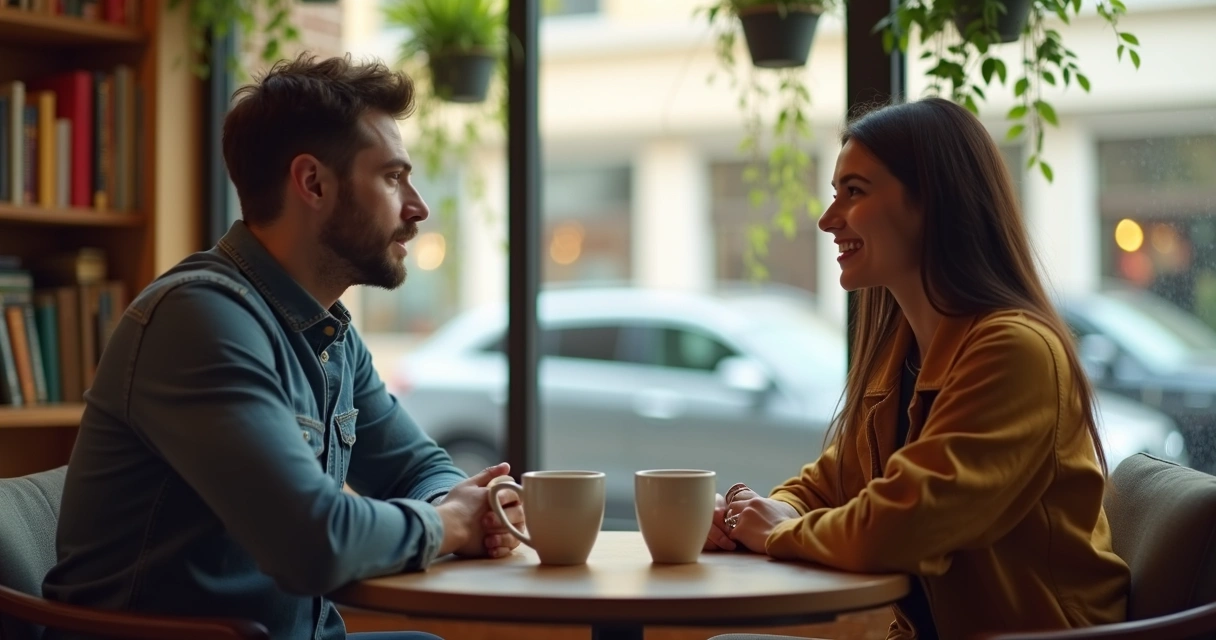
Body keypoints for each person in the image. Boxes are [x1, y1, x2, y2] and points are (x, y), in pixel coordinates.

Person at [41, 54, 524, 640]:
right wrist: (449, 522)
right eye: (393, 177)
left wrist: (468, 507)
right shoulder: (198, 322)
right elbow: (313, 543)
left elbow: (418, 467)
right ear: (313, 183)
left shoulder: (328, 334)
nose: (417, 207)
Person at [704, 97, 1129, 639]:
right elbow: (834, 483)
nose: (827, 219)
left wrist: (779, 533)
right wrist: (755, 516)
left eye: (853, 193)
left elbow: (904, 526)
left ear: (933, 203)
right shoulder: (903, 349)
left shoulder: (1015, 351)